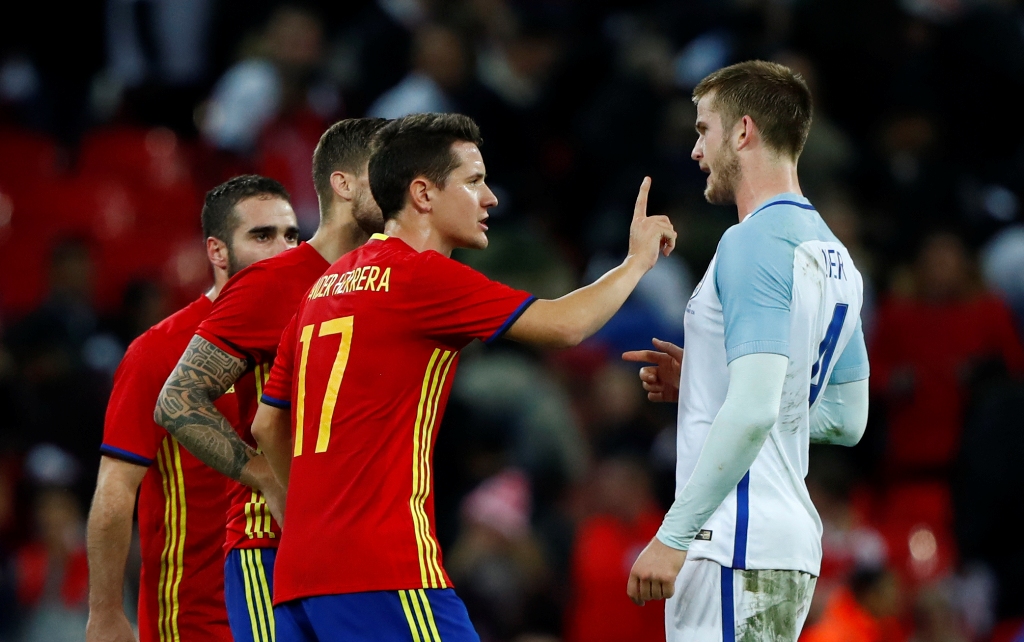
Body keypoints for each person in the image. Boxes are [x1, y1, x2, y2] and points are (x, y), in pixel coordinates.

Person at [250, 112, 676, 641]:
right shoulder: (420, 276)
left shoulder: (322, 289)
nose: (490, 198)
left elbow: (267, 426)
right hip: (386, 570)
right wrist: (635, 261)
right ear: (423, 194)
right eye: (474, 181)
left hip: (300, 578)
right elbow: (567, 325)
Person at [620, 61, 870, 641]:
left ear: (743, 132)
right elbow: (847, 419)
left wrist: (673, 536)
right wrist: (711, 385)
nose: (695, 151)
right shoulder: (837, 257)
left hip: (733, 542)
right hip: (785, 547)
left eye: (703, 130)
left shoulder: (750, 241)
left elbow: (757, 409)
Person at [153, 117, 387, 642]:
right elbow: (177, 399)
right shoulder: (272, 282)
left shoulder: (385, 281)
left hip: (354, 547)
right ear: (344, 183)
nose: (400, 185)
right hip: (270, 545)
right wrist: (263, 476)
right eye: (385, 172)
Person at [86, 175, 300, 642]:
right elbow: (116, 486)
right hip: (196, 616)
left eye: (292, 235)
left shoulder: (309, 335)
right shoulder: (160, 350)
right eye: (262, 236)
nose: (285, 249)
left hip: (292, 605)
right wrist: (104, 613)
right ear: (217, 252)